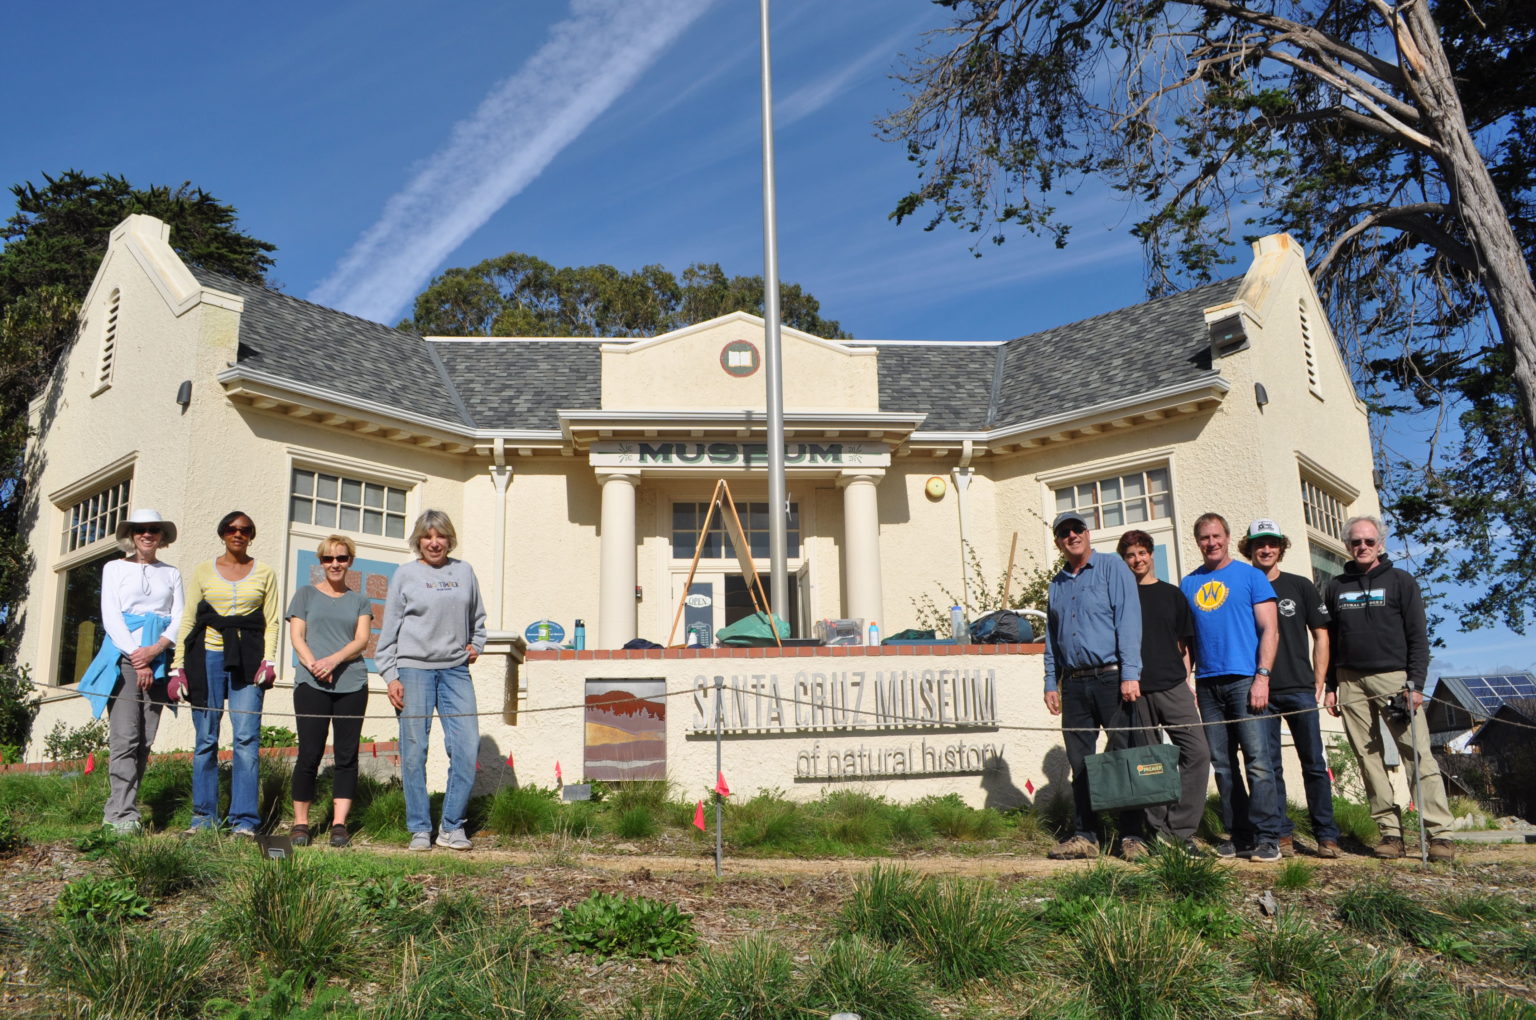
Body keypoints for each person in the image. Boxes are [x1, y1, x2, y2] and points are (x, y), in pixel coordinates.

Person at [1323, 515, 1454, 862]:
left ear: (1380, 544)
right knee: (1368, 760)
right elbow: (1332, 640)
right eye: (1355, 542)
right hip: (1350, 680)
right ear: (1347, 545)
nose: (1362, 547)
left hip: (1396, 680)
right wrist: (1331, 686)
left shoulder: (1401, 581)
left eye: (1369, 541)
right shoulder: (1336, 586)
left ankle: (1439, 834)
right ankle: (1390, 834)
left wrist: (1416, 684)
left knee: (1417, 754)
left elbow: (1418, 638)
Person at [375, 510, 486, 852]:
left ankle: (452, 826)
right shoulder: (405, 575)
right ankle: (420, 828)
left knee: (466, 747)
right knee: (414, 751)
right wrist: (391, 675)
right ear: (418, 541)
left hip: (455, 671)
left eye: (440, 536)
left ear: (449, 539)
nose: (434, 542)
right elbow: (389, 629)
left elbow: (478, 619)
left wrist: (476, 644)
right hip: (413, 670)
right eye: (427, 537)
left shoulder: (464, 571)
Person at [1042, 510, 1148, 860]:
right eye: (1064, 532)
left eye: (1077, 529)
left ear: (1087, 533)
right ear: (1058, 541)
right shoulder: (1056, 584)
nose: (1072, 535)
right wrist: (1050, 682)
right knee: (1081, 763)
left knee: (1124, 756)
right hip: (1073, 684)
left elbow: (1128, 621)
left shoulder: (1113, 568)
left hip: (1112, 678)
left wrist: (1130, 673)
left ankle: (1133, 836)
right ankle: (1086, 835)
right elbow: (1052, 639)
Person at [1180, 513, 1285, 862]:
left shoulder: (1251, 576)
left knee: (1258, 761)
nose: (1211, 543)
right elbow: (1186, 642)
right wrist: (1187, 682)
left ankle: (1268, 837)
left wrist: (1262, 676)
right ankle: (1239, 835)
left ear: (1227, 537)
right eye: (1204, 538)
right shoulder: (1189, 583)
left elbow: (1270, 629)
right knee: (1223, 765)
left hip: (1245, 680)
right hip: (1208, 684)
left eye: (1217, 536)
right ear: (1198, 542)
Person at [78, 509, 185, 833]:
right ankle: (119, 814)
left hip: (160, 660)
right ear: (132, 534)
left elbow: (179, 615)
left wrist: (156, 650)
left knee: (144, 740)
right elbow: (110, 615)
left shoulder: (171, 573)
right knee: (125, 737)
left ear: (162, 536)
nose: (147, 534)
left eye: (154, 529)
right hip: (125, 660)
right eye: (141, 529)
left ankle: (128, 807)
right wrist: (137, 657)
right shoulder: (114, 568)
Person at [173, 511, 279, 836]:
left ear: (251, 535)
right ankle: (203, 818)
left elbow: (272, 621)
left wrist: (269, 661)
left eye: (245, 530)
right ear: (222, 533)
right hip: (207, 657)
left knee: (246, 738)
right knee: (206, 738)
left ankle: (244, 820)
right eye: (232, 529)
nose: (238, 534)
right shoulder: (204, 571)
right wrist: (178, 667)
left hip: (249, 658)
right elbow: (189, 619)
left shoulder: (264, 572)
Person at [1239, 519, 1340, 859]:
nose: (1265, 549)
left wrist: (1319, 680)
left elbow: (1322, 634)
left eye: (1271, 543)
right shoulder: (1242, 586)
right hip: (1260, 692)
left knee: (1313, 763)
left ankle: (1326, 834)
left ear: (1280, 546)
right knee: (1269, 767)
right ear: (1248, 548)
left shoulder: (1300, 586)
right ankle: (1281, 833)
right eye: (1259, 544)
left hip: (1299, 689)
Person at [1117, 529, 1210, 855]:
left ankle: (1178, 831)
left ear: (1150, 554)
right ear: (1124, 560)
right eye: (1130, 555)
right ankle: (1156, 831)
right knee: (1150, 763)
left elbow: (1183, 644)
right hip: (1137, 690)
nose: (1137, 559)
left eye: (1141, 553)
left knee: (1198, 752)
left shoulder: (1172, 594)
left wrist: (1187, 681)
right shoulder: (1122, 597)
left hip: (1174, 686)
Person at [286, 534, 374, 848]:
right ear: (321, 562)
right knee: (309, 753)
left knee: (346, 756)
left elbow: (361, 639)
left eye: (341, 558)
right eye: (328, 558)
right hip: (311, 683)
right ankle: (301, 824)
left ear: (350, 560)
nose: (334, 564)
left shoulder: (360, 600)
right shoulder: (305, 595)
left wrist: (334, 661)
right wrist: (314, 666)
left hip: (351, 683)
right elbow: (297, 637)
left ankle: (339, 825)